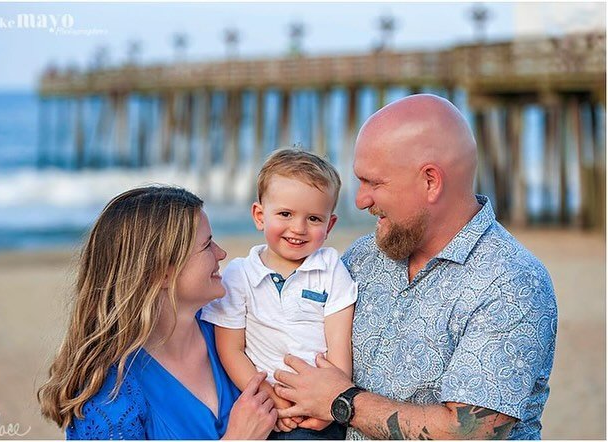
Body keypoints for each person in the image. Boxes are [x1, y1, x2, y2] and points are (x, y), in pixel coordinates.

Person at [271, 94, 558, 440]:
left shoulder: (511, 281)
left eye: (373, 183)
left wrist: (341, 400)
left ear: (430, 182)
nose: (361, 201)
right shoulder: (363, 257)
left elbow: (466, 433)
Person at [37, 186, 277, 439]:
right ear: (160, 272)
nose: (221, 253)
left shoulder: (231, 331)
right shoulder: (109, 393)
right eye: (207, 246)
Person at [202, 149, 357, 440]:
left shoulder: (331, 269)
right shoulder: (240, 274)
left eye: (313, 218)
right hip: (266, 407)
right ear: (260, 216)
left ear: (330, 225)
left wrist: (330, 404)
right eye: (285, 214)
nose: (298, 228)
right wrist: (268, 395)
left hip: (321, 409)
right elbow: (231, 348)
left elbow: (339, 346)